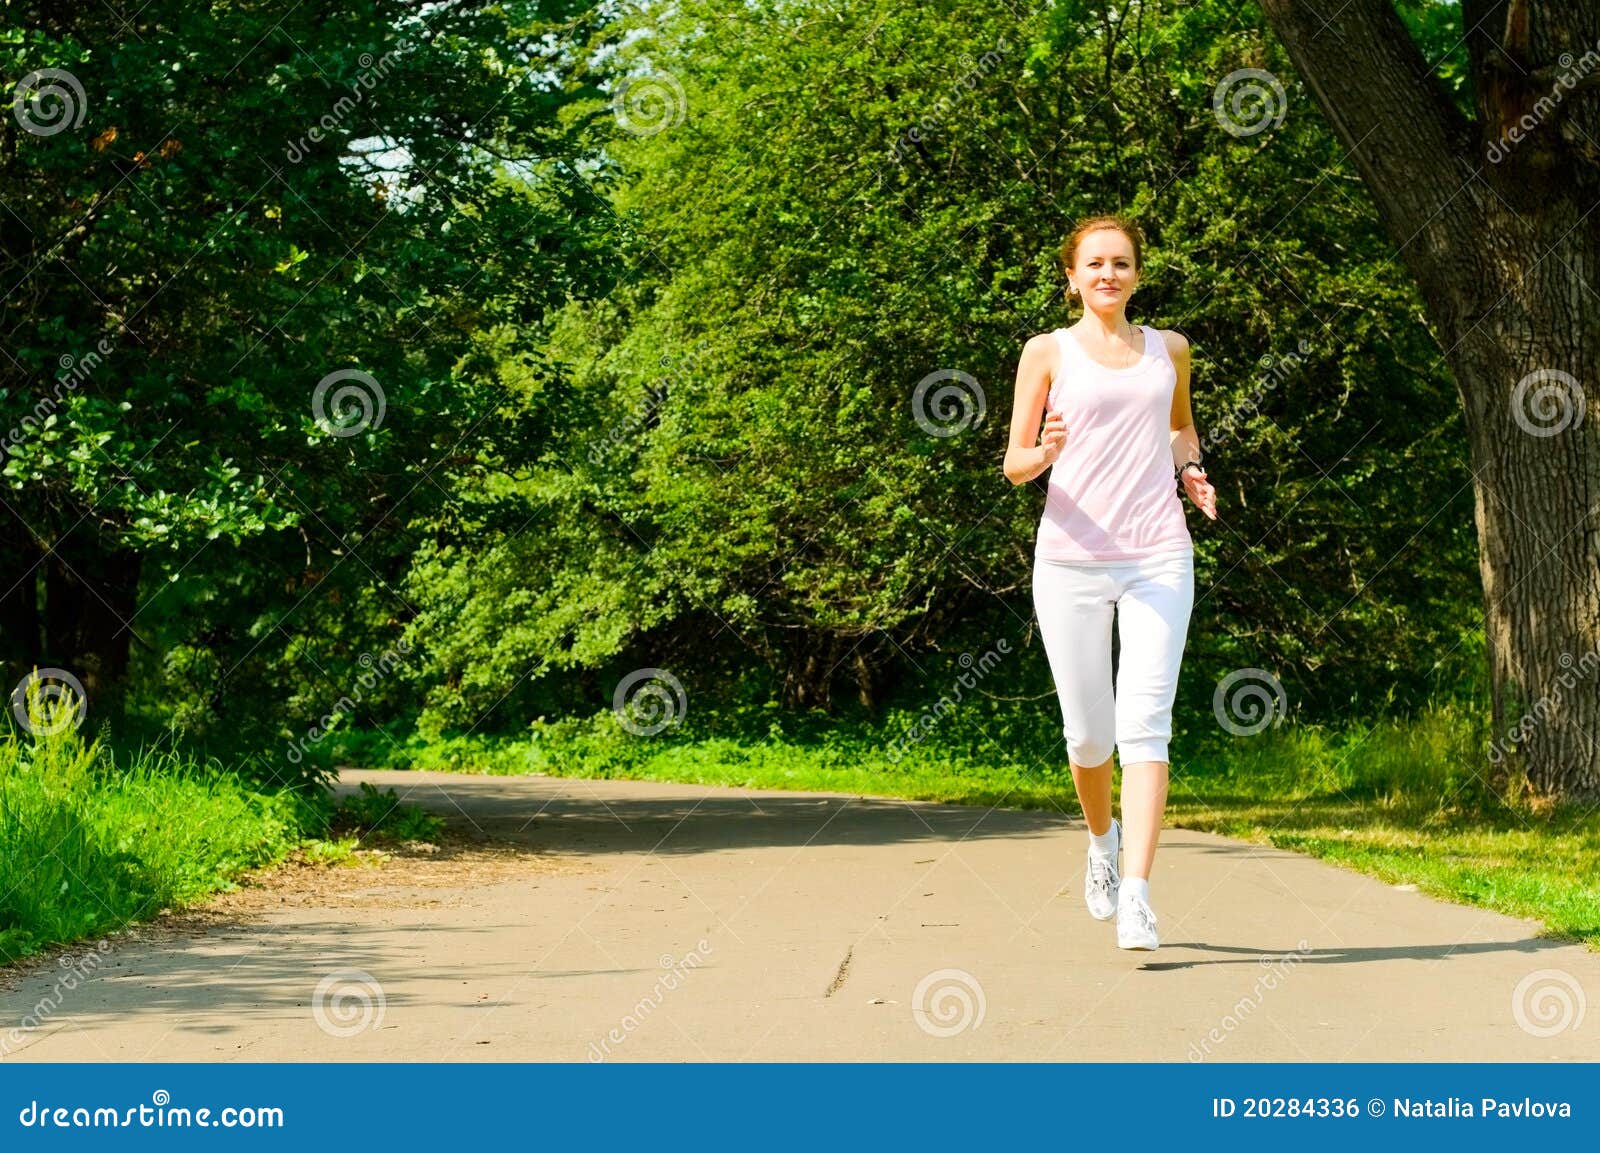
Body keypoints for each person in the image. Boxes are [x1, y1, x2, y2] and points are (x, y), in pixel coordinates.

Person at [1002, 214, 1217, 951]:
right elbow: (1014, 464)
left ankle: (1137, 892)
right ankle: (1101, 842)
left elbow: (1179, 425)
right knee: (1089, 734)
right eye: (1094, 264)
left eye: (1121, 263)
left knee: (1144, 726)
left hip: (1158, 553)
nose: (1108, 275)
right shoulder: (1048, 352)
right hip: (1071, 558)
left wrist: (1191, 470)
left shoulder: (1170, 350)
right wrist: (1045, 449)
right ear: (1071, 276)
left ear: (1137, 274)